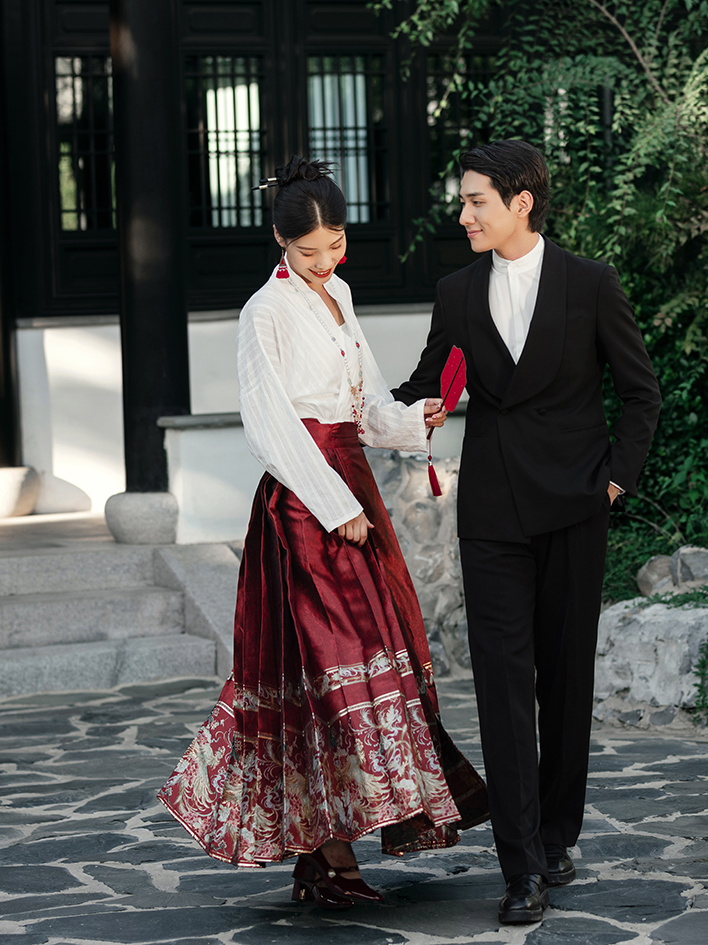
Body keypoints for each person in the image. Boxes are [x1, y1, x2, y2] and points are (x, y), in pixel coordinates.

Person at [158, 156, 489, 910]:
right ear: (280, 242)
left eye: (335, 244)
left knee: (366, 663)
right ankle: (326, 858)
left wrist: (412, 419)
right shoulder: (263, 311)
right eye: (308, 251)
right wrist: (334, 504)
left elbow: (363, 403)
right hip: (306, 503)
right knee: (325, 673)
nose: (325, 261)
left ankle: (329, 857)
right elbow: (269, 422)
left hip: (350, 481)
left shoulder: (338, 294)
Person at [394, 140, 662, 925]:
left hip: (574, 506)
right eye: (462, 200)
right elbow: (422, 384)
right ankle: (519, 867)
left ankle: (554, 834)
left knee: (564, 680)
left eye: (475, 200)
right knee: (502, 687)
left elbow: (640, 392)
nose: (463, 214)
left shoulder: (590, 282)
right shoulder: (454, 291)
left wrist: (613, 480)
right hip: (491, 514)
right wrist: (373, 402)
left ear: (520, 202)